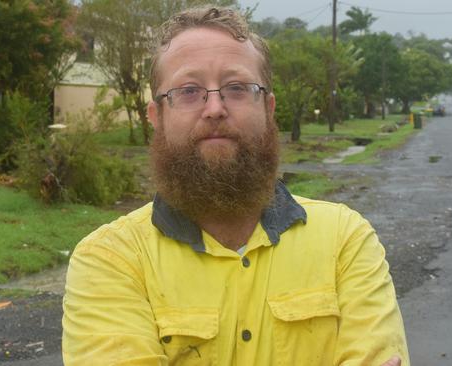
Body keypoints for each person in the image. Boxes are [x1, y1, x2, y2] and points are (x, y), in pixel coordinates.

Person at [62, 6, 409, 366]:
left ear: (269, 108)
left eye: (237, 88)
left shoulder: (345, 240)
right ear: (156, 117)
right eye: (188, 90)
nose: (214, 108)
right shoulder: (109, 259)